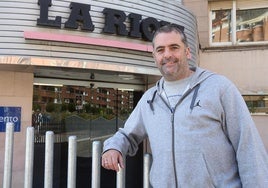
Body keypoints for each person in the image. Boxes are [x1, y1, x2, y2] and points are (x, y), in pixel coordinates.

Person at [101, 24, 268, 187]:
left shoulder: (219, 88)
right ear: (154, 56)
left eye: (174, 47)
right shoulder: (149, 99)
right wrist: (112, 147)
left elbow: (248, 146)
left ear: (187, 52)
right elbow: (127, 134)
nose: (167, 55)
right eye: (160, 50)